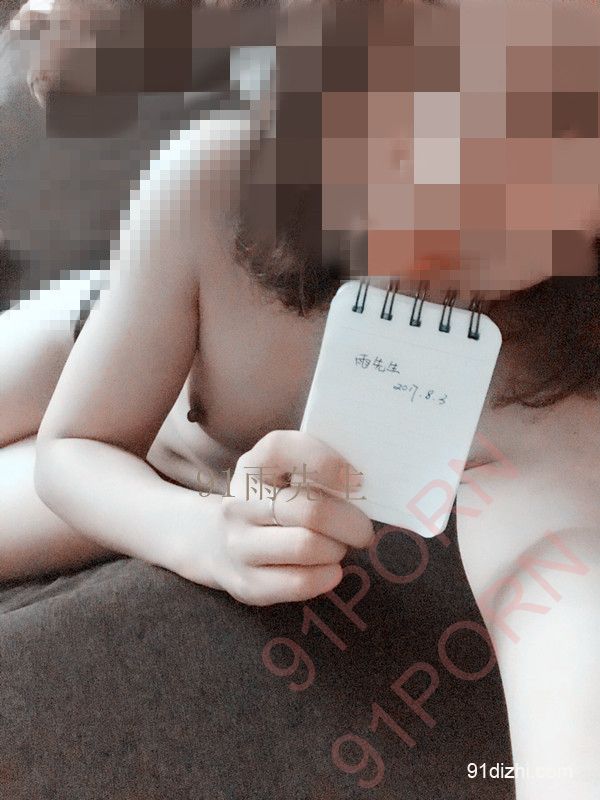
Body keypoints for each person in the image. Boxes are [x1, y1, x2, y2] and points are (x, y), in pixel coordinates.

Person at [1, 1, 599, 797]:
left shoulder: (550, 378)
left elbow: (563, 593)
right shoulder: (213, 184)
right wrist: (203, 538)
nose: (460, 162)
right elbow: (76, 447)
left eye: (554, 120)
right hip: (109, 348)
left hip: (185, 470)